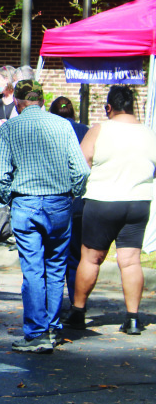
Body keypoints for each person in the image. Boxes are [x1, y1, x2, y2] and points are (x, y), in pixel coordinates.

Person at [0, 80, 90, 354]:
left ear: (19, 104)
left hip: (26, 202)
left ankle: (36, 333)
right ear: (42, 101)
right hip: (59, 202)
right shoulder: (63, 125)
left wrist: (10, 196)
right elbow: (81, 171)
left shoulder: (10, 127)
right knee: (56, 267)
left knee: (33, 269)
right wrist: (73, 194)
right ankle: (54, 327)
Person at [66, 86, 156, 336]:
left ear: (109, 107)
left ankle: (78, 312)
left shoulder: (99, 130)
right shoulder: (149, 133)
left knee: (91, 257)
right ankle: (133, 318)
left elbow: (81, 163)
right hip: (138, 202)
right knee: (130, 261)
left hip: (102, 201)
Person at [49, 97, 89, 305]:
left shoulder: (51, 131)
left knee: (54, 258)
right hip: (80, 202)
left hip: (56, 199)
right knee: (77, 258)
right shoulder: (86, 131)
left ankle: (52, 306)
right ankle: (77, 304)